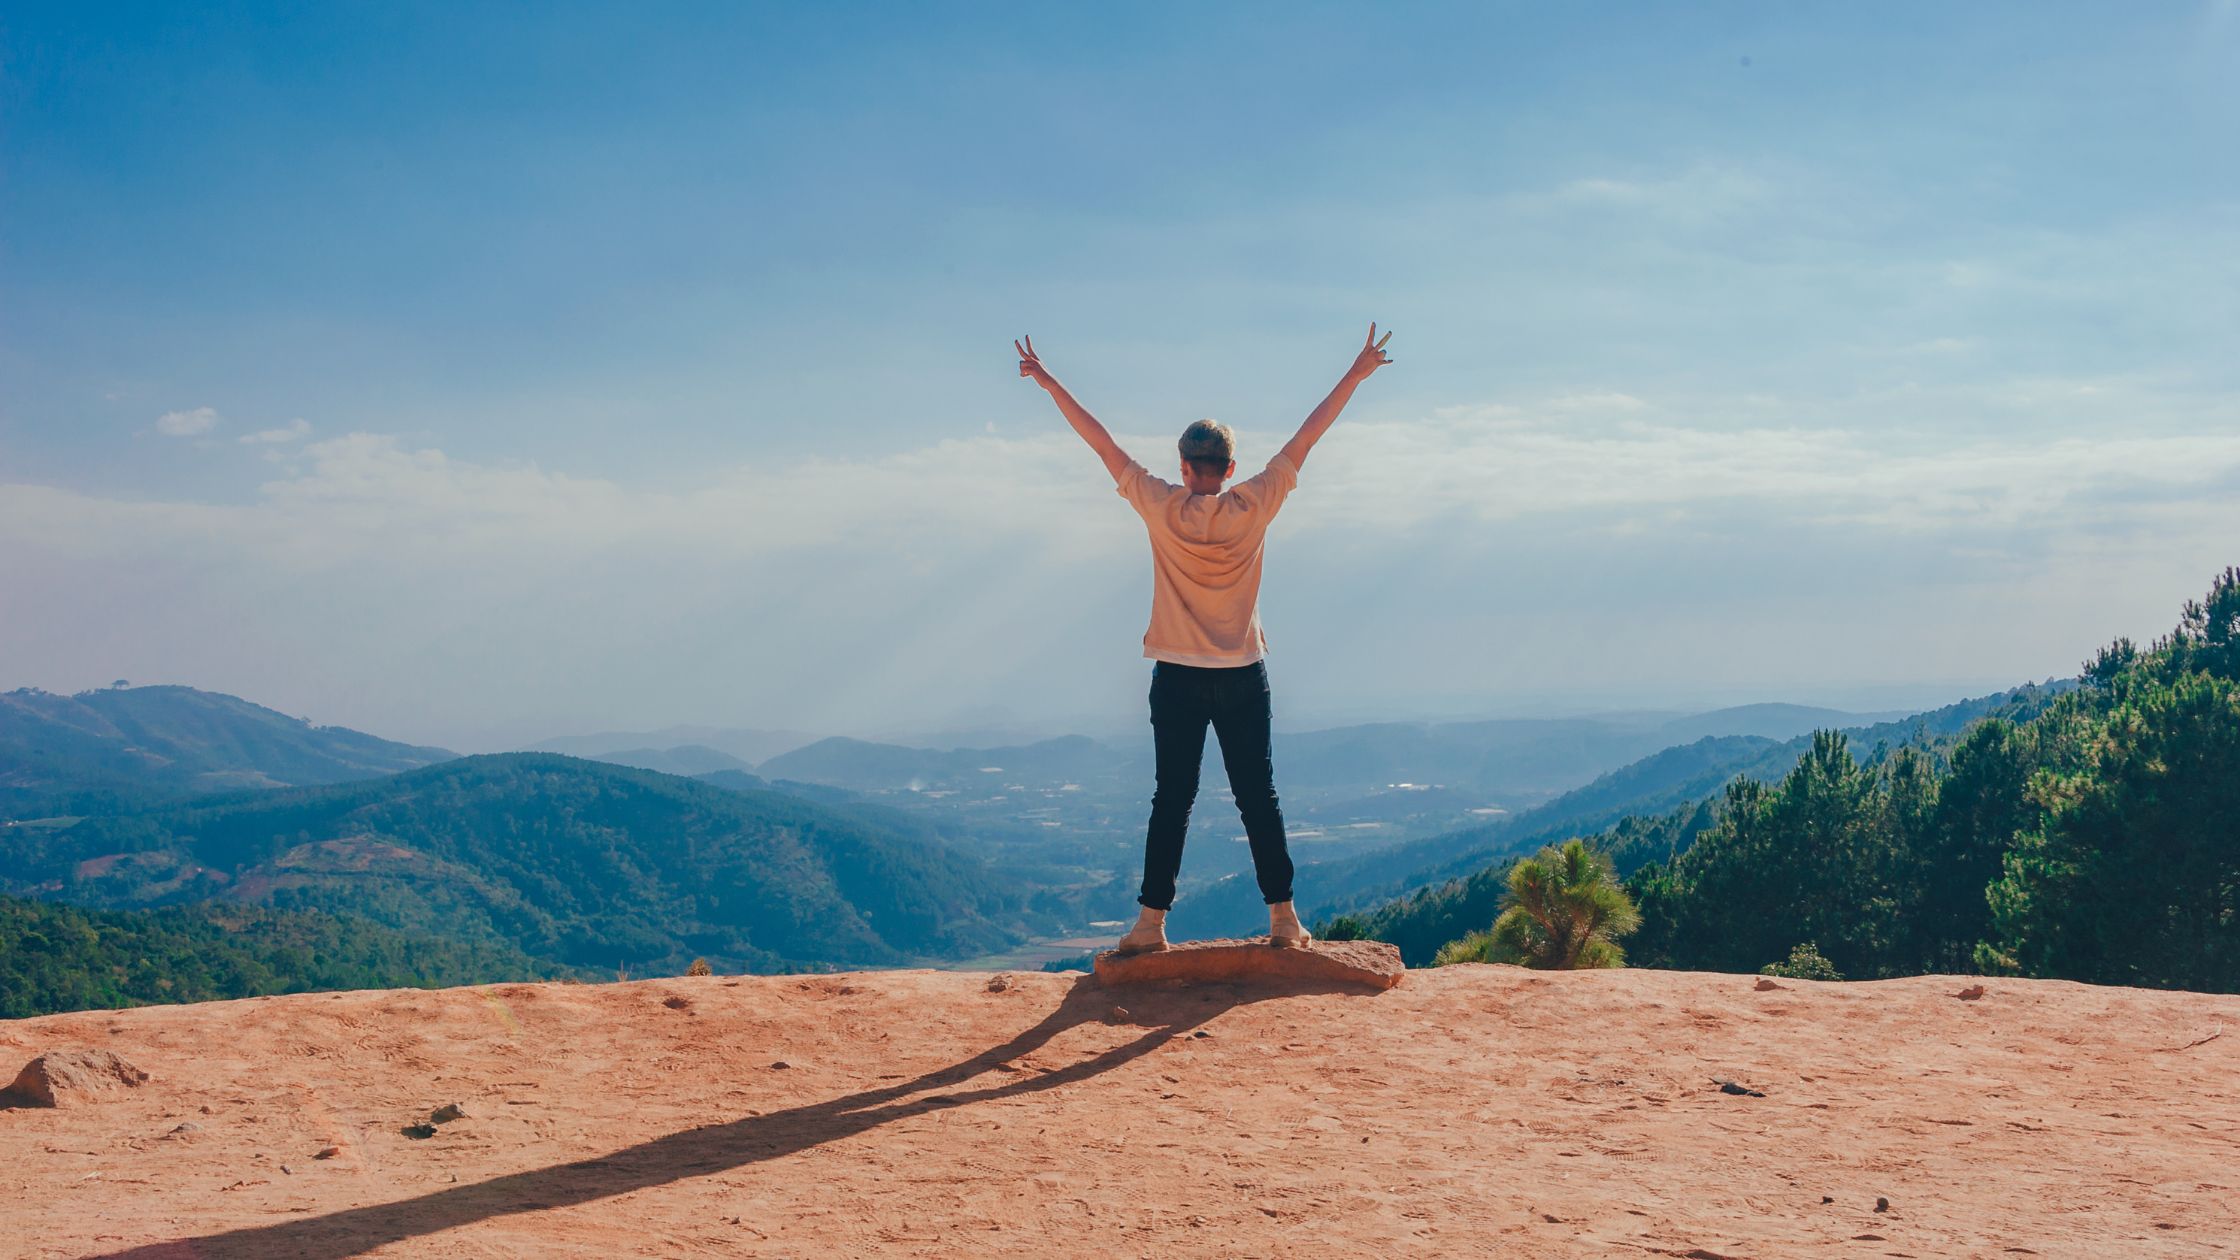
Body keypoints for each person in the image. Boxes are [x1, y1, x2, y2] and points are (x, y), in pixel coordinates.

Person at [1015, 325, 1396, 954]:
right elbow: (1308, 436)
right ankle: (1283, 920)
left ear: (1185, 467)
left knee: (1173, 800)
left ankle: (1150, 925)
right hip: (1244, 672)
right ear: (1230, 469)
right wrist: (1356, 373)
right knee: (1258, 798)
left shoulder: (1161, 506)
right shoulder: (1256, 503)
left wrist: (1049, 381)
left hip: (1178, 674)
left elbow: (1101, 444)